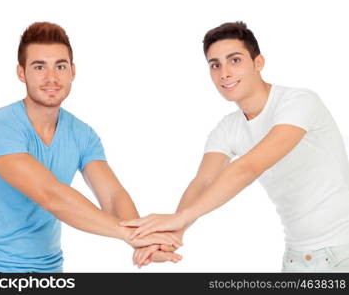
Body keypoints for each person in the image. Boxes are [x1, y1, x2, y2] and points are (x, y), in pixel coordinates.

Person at [121, 21, 349, 272]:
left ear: (258, 63)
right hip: (297, 259)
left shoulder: (298, 102)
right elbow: (203, 183)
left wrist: (179, 219)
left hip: (342, 252)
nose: (224, 73)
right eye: (215, 65)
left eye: (235, 60)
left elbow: (248, 168)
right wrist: (171, 235)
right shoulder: (228, 129)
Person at [0, 22, 182, 273]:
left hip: (50, 269)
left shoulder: (81, 133)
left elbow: (111, 195)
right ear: (21, 73)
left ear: (72, 71)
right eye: (39, 67)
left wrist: (142, 239)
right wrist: (127, 234)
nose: (52, 78)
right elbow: (50, 195)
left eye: (60, 66)